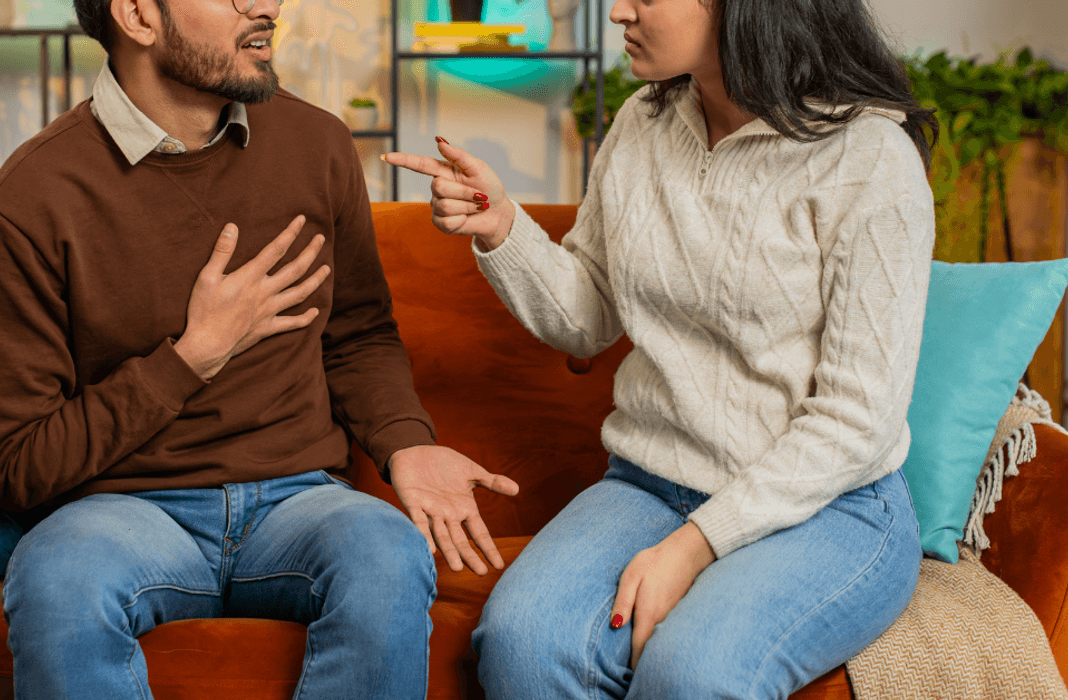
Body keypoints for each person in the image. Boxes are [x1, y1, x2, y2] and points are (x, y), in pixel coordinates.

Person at [0, 1, 519, 698]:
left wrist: (405, 442)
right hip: (125, 512)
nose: (266, 4)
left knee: (385, 552)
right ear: (137, 15)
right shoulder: (30, 200)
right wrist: (191, 357)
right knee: (56, 578)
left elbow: (357, 333)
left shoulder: (316, 143)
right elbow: (16, 466)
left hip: (299, 499)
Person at [383, 0, 938, 695]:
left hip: (829, 506)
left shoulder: (867, 159)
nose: (618, 10)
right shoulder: (640, 124)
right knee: (522, 643)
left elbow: (858, 422)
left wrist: (693, 545)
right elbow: (585, 317)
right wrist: (502, 229)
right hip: (649, 484)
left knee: (691, 672)